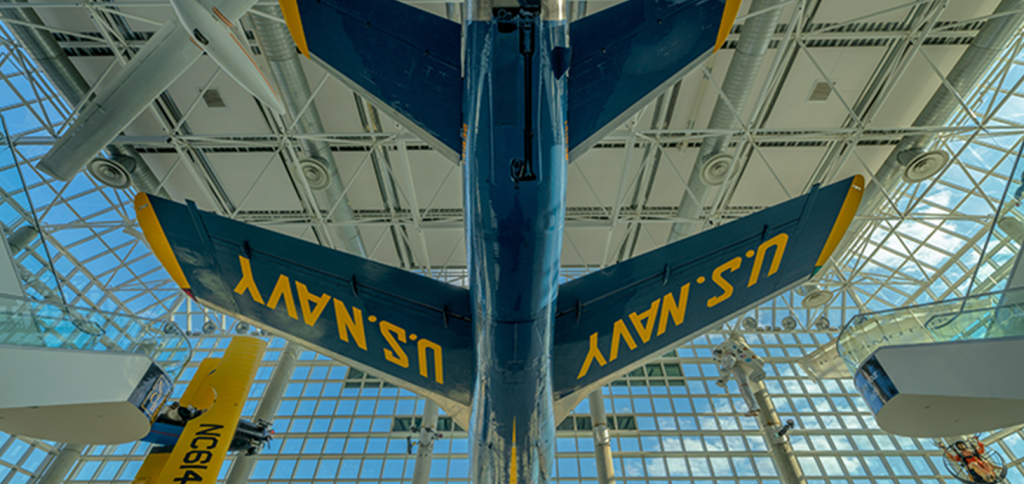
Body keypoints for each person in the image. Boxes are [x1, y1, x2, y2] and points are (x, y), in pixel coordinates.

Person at [714, 341, 763, 417]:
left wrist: (725, 374)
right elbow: (727, 371)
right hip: (735, 371)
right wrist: (723, 380)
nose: (717, 356)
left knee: (744, 387)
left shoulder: (726, 355)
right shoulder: (723, 359)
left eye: (716, 353)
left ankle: (754, 405)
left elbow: (731, 361)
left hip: (738, 369)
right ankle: (752, 406)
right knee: (743, 388)